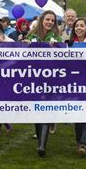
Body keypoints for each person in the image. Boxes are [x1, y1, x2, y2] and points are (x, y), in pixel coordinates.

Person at [25, 10, 62, 156]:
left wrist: (57, 46)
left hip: (50, 78)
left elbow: (62, 54)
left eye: (52, 20)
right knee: (36, 109)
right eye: (48, 19)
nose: (50, 22)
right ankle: (39, 137)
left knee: (46, 108)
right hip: (33, 77)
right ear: (42, 20)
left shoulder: (56, 37)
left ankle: (42, 145)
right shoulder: (32, 35)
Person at [67, 18, 86, 156]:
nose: (79, 28)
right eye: (76, 26)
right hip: (73, 82)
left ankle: (85, 143)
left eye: (82, 26)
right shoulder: (68, 43)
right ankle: (80, 141)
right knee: (77, 111)